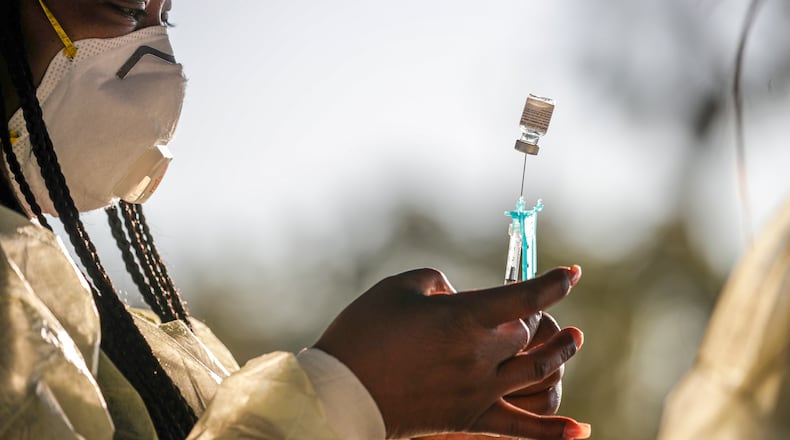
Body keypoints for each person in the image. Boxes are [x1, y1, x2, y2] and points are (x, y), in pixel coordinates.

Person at [0, 1, 591, 439]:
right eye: (125, 8)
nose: (156, 58)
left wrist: (404, 418)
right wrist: (348, 392)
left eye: (166, 18)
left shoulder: (71, 313)